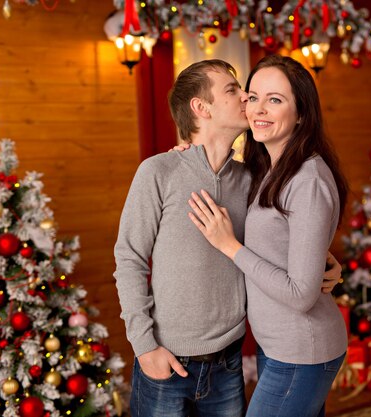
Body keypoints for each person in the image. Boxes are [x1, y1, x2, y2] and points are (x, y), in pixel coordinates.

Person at [113, 59, 340, 417]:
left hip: (228, 364)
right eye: (236, 91)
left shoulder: (253, 177)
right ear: (201, 108)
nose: (248, 101)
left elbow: (281, 239)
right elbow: (129, 259)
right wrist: (144, 347)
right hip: (166, 361)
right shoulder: (159, 171)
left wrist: (326, 263)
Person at [188, 55, 348, 417]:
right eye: (253, 96)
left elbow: (301, 294)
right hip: (278, 346)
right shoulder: (268, 168)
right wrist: (187, 154)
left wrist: (231, 247)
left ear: (302, 113)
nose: (259, 109)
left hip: (301, 351)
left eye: (275, 99)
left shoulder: (307, 179)